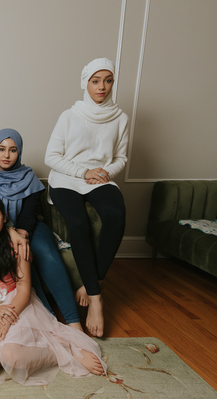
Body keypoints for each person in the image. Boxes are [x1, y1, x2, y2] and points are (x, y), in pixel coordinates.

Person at [0, 194, 106, 385]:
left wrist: (5, 320)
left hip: (15, 303)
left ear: (4, 217)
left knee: (11, 356)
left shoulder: (17, 245)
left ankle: (66, 350)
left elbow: (24, 289)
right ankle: (58, 350)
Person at [44, 57, 128, 337]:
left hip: (99, 178)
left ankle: (94, 283)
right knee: (78, 224)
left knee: (116, 215)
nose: (102, 87)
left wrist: (104, 173)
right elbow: (51, 157)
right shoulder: (69, 116)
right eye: (95, 81)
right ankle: (96, 299)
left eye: (108, 80)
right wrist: (83, 172)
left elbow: (120, 157)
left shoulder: (121, 118)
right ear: (85, 83)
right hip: (67, 178)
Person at [0, 128, 82, 331]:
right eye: (1, 149)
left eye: (13, 150)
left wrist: (22, 236)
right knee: (23, 256)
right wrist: (12, 234)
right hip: (1, 233)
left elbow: (29, 216)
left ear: (19, 153)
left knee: (46, 253)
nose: (6, 155)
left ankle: (74, 322)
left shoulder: (29, 177)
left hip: (30, 228)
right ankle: (50, 322)